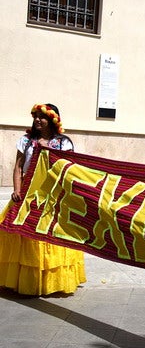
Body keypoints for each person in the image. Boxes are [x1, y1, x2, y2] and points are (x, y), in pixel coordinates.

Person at [0, 103, 87, 296]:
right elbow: (18, 166)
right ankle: (25, 280)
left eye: (43, 117)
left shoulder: (63, 142)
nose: (38, 120)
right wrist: (17, 189)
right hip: (28, 194)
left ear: (52, 120)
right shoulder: (25, 141)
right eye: (36, 116)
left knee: (51, 235)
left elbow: (69, 168)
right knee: (24, 234)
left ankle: (50, 281)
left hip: (53, 195)